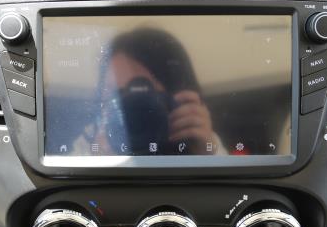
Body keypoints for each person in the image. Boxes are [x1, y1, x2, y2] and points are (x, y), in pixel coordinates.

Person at [72, 27, 223, 156]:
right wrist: (99, 162)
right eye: (114, 93)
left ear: (179, 102)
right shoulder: (91, 139)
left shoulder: (196, 136)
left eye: (140, 95)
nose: (127, 106)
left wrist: (205, 156)